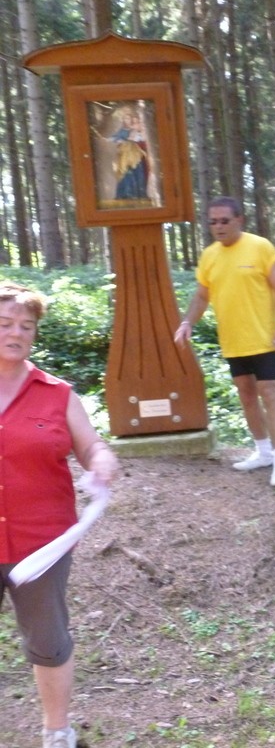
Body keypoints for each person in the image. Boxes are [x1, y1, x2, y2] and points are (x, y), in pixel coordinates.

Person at [0, 282, 120, 748]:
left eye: (26, 326)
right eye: (5, 323)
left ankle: (57, 732)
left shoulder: (57, 394)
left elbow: (90, 445)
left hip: (42, 545)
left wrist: (101, 459)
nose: (16, 333)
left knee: (48, 642)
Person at [174, 195, 275, 488]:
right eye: (213, 222)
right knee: (246, 394)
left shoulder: (260, 247)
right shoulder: (209, 256)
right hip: (232, 340)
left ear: (239, 220)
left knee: (269, 392)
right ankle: (263, 452)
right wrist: (188, 322)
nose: (218, 226)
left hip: (264, 338)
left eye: (224, 221)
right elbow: (202, 295)